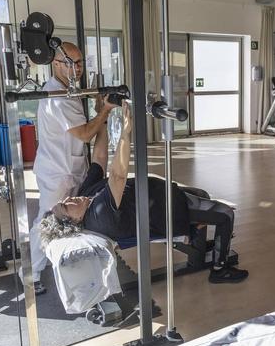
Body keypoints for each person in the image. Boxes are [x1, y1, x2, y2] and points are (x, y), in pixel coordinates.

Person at [40, 102, 248, 284]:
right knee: (226, 214)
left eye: (64, 200)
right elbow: (118, 176)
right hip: (165, 209)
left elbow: (99, 158)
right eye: (66, 206)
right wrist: (126, 133)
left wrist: (104, 116)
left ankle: (198, 246)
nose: (68, 198)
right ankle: (220, 270)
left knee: (202, 193)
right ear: (74, 220)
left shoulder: (85, 197)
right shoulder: (99, 213)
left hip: (160, 194)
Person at [29, 42, 117, 294]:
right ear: (55, 64)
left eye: (79, 63)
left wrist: (101, 110)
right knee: (47, 218)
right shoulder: (57, 95)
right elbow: (86, 134)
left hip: (70, 166)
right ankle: (33, 274)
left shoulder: (67, 90)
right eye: (70, 63)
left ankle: (71, 262)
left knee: (73, 219)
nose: (77, 69)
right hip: (57, 171)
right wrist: (104, 111)